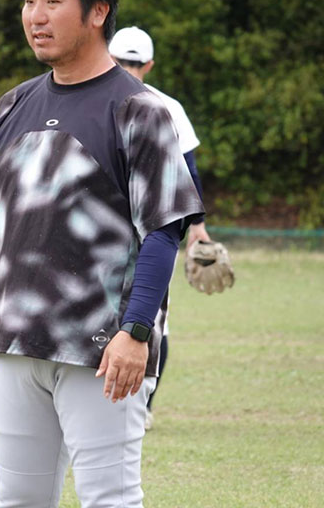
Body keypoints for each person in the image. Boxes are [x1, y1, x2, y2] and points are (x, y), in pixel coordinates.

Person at [0, 0, 204, 508]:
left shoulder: (140, 111)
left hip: (102, 350)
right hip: (17, 345)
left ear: (97, 11)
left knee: (110, 499)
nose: (35, 16)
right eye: (29, 0)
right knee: (19, 499)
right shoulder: (11, 106)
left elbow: (163, 232)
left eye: (53, 0)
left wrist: (136, 333)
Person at [108, 25, 210, 430]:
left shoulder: (99, 100)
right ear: (149, 64)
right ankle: (142, 404)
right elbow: (189, 172)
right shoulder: (168, 106)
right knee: (152, 316)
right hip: (153, 230)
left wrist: (197, 226)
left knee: (124, 314)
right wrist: (197, 225)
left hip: (118, 232)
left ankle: (126, 401)